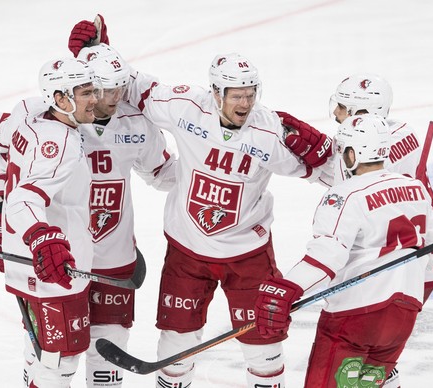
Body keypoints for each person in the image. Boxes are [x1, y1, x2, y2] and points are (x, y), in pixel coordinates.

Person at [68, 18, 332, 387]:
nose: (245, 102)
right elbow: (131, 86)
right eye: (236, 95)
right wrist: (95, 57)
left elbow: (340, 178)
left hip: (247, 254)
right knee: (176, 344)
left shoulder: (272, 133)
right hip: (187, 252)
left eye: (250, 93)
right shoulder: (184, 107)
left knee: (262, 347)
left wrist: (325, 152)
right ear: (216, 92)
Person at [0, 43, 177, 388]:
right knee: (54, 358)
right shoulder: (51, 126)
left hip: (106, 253)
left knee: (102, 354)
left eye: (120, 86)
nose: (113, 96)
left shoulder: (128, 122)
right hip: (58, 259)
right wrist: (5, 213)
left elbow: (164, 173)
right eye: (98, 90)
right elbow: (9, 163)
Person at [254, 114, 433, 388]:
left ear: (352, 153)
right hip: (402, 318)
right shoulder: (416, 189)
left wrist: (287, 287)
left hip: (354, 319)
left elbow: (327, 256)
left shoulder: (344, 195)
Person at [0, 57, 102, 387]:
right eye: (86, 93)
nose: (96, 98)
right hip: (54, 267)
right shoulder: (61, 144)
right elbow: (25, 199)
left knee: (37, 348)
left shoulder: (27, 111)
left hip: (20, 257)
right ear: (61, 100)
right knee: (60, 359)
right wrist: (43, 238)